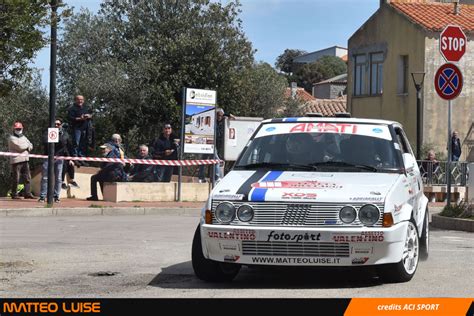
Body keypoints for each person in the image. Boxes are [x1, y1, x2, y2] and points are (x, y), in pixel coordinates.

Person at [38, 119, 71, 203]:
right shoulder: (48, 132)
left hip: (59, 158)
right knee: (45, 177)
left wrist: (70, 158)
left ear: (61, 125)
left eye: (58, 124)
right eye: (55, 124)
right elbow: (45, 142)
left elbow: (65, 145)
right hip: (48, 158)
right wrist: (53, 135)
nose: (56, 125)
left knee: (59, 178)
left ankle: (56, 196)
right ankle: (42, 196)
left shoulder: (64, 134)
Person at [198, 108, 235, 183]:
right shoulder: (212, 121)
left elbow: (226, 115)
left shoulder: (222, 121)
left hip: (216, 144)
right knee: (216, 160)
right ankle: (216, 177)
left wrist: (228, 114)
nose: (219, 117)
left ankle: (201, 177)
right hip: (210, 143)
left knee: (205, 160)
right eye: (218, 115)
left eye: (221, 115)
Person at [7, 121, 35, 199]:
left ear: (22, 128)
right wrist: (27, 146)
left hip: (25, 160)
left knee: (27, 178)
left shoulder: (24, 137)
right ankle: (14, 194)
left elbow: (31, 145)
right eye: (17, 128)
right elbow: (20, 147)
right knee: (16, 178)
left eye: (20, 128)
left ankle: (27, 193)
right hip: (16, 161)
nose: (18, 130)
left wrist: (27, 146)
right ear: (14, 129)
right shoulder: (11, 138)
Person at [67, 95, 93, 163]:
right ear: (75, 100)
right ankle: (75, 157)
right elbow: (70, 118)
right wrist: (80, 118)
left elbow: (91, 115)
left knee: (83, 144)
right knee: (76, 143)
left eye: (81, 99)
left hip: (85, 128)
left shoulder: (86, 108)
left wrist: (88, 116)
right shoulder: (72, 108)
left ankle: (81, 157)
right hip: (76, 128)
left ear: (83, 100)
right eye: (79, 99)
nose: (80, 101)